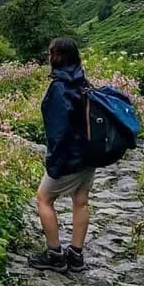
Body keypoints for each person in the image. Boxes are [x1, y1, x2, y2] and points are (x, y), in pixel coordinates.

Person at [28, 37, 94, 273]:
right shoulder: (82, 81)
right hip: (89, 154)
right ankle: (76, 256)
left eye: (50, 52)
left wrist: (53, 162)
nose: (48, 56)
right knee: (81, 199)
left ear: (56, 57)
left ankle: (55, 254)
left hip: (69, 156)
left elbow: (58, 130)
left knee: (44, 198)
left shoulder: (59, 87)